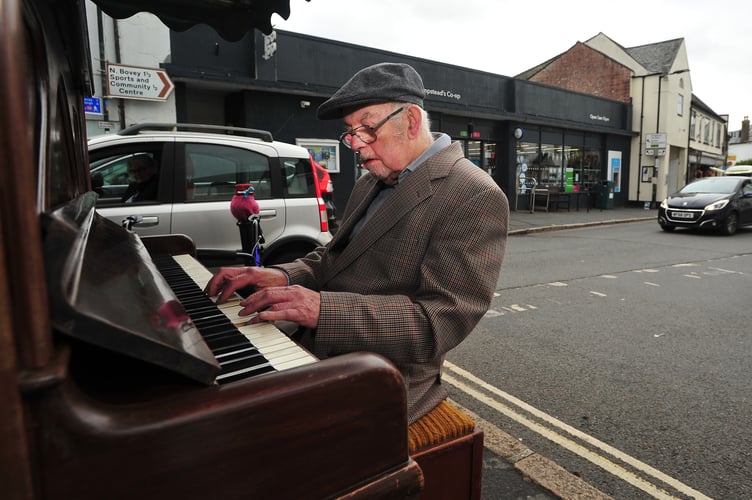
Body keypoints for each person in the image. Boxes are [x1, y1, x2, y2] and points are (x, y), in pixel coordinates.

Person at [205, 62, 509, 425]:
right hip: (318, 348)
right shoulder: (371, 181)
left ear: (411, 120)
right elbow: (333, 259)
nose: (358, 146)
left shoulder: (474, 193)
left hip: (382, 377)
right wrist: (280, 276)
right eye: (351, 133)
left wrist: (322, 309)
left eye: (367, 129)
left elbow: (439, 323)